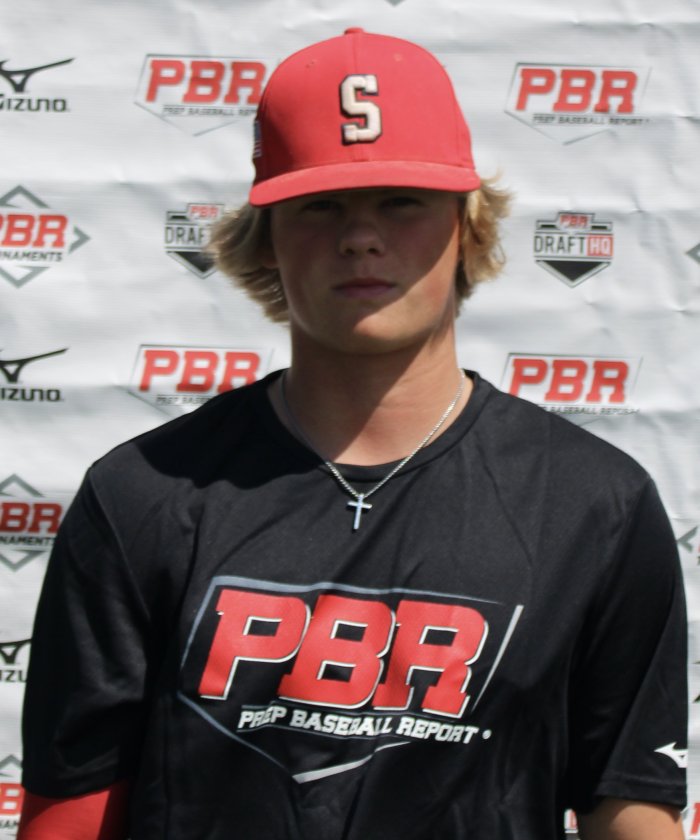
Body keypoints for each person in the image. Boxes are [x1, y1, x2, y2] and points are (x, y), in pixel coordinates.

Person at [19, 28, 687, 840]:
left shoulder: (594, 504)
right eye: (321, 205)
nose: (360, 237)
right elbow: (74, 810)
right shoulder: (143, 494)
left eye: (401, 201)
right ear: (266, 237)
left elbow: (630, 803)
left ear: (467, 226)